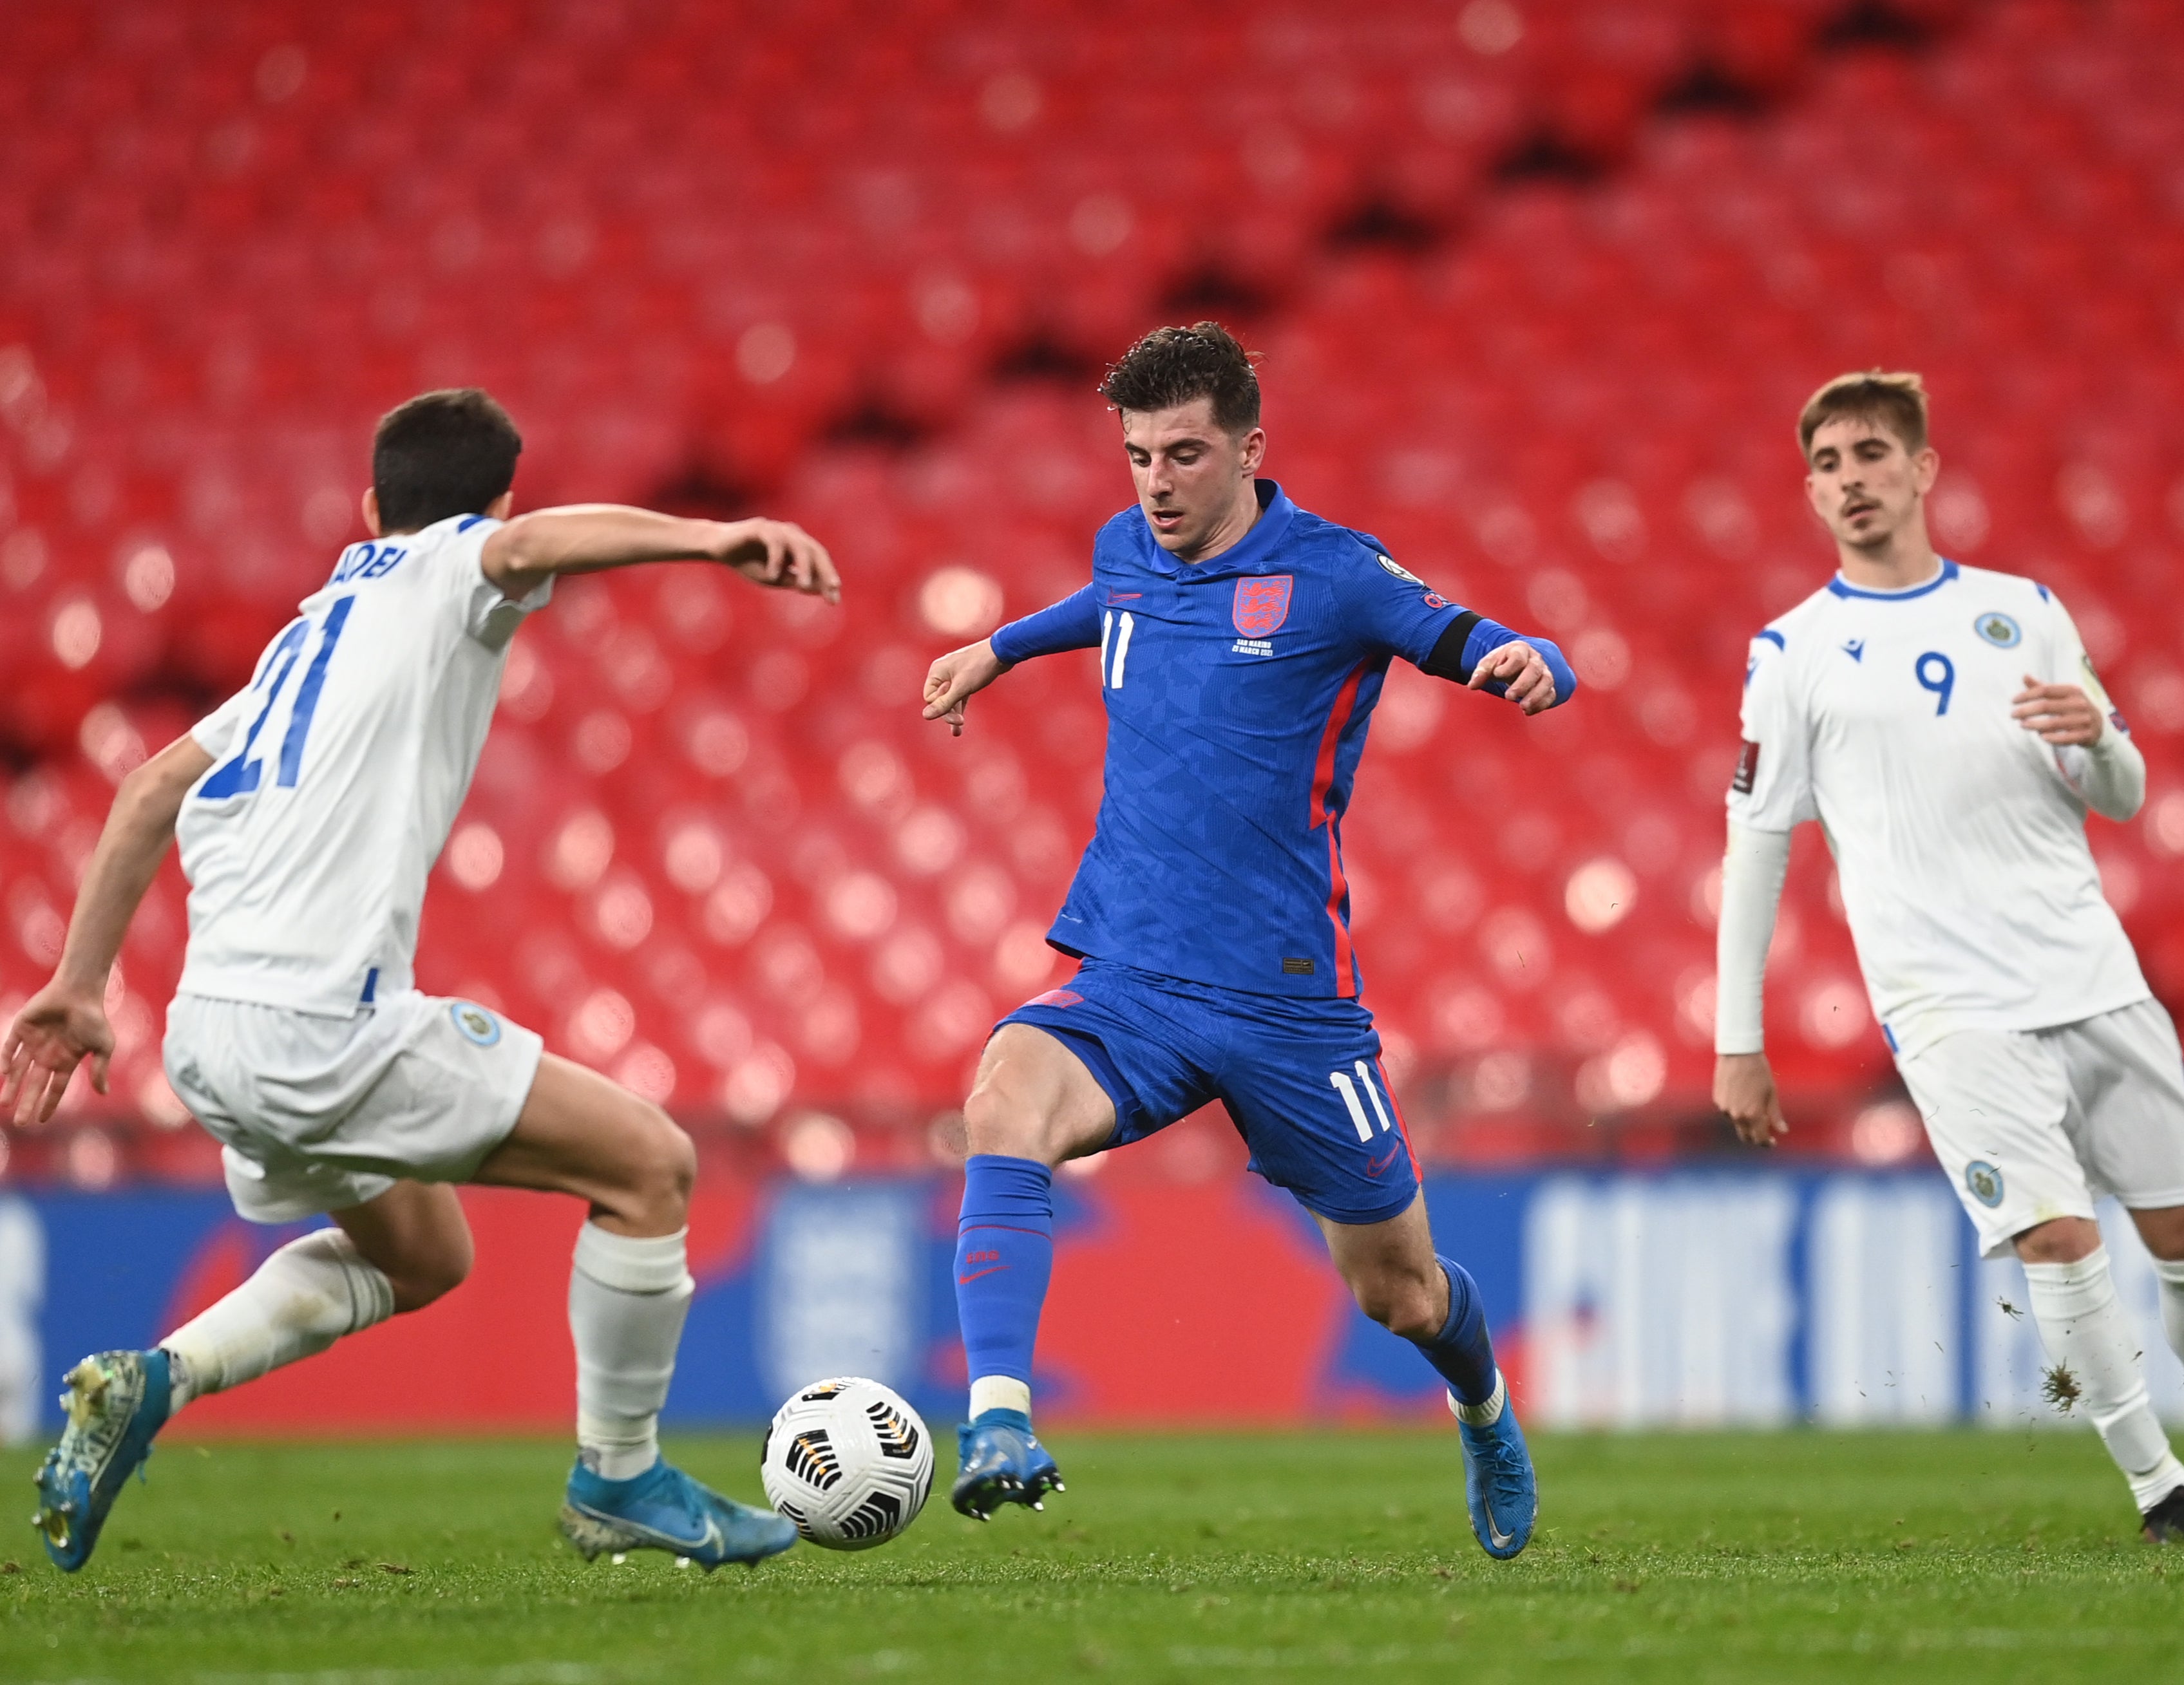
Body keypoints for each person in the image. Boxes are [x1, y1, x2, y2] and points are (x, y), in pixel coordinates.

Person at [4, 388, 841, 1573]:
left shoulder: (306, 638)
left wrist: (82, 985)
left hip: (209, 1036)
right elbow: (525, 546)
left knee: (425, 1256)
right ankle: (619, 1478)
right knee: (652, 1164)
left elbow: (145, 789)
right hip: (319, 1024)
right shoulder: (450, 568)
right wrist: (708, 538)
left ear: (365, 507)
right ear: (495, 499)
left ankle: (156, 1376)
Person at [920, 323, 1573, 1558]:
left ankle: (1482, 1407)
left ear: (1250, 450)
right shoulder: (1128, 548)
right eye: (1136, 457)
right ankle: (998, 1421)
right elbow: (1107, 600)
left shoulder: (1335, 574)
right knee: (1007, 1098)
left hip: (1287, 1005)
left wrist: (1529, 662)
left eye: (1184, 454)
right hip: (1132, 979)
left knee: (1399, 1292)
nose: (1156, 484)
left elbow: (1468, 634)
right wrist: (996, 651)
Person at [1712, 370, 2184, 1544]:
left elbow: (2123, 789)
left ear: (1923, 469)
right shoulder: (1794, 650)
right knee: (2059, 1235)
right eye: (1830, 465)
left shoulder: (2025, 610)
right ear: (1811, 493)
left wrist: (2100, 734)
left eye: (1870, 454)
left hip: (2090, 971)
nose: (1851, 479)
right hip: (1948, 1004)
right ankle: (2158, 1487)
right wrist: (1737, 1037)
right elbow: (1755, 845)